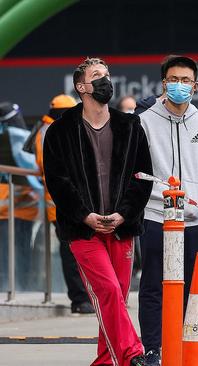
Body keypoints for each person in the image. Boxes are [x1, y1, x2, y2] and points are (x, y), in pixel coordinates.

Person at [43, 57, 152, 366]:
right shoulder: (60, 131)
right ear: (82, 86)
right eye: (97, 76)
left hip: (122, 226)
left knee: (115, 297)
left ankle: (105, 361)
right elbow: (57, 182)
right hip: (83, 229)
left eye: (107, 75)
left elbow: (143, 176)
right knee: (107, 290)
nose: (105, 80)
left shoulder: (130, 126)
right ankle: (133, 353)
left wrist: (125, 214)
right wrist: (84, 215)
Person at [138, 55, 198, 365]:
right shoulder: (144, 122)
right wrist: (164, 197)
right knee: (153, 286)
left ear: (195, 86)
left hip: (193, 219)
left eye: (186, 81)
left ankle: (186, 346)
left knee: (191, 285)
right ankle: (153, 349)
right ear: (163, 83)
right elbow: (138, 171)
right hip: (155, 216)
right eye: (174, 80)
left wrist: (197, 197)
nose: (180, 86)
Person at [28, 94, 94, 313]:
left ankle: (84, 298)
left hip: (67, 205)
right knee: (73, 253)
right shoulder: (53, 132)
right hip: (62, 205)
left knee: (78, 252)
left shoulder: (46, 130)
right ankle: (80, 299)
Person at [0, 102, 42, 291]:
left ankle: (21, 285)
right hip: (13, 208)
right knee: (14, 249)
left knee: (19, 249)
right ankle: (16, 286)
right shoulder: (19, 137)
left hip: (23, 207)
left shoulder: (20, 137)